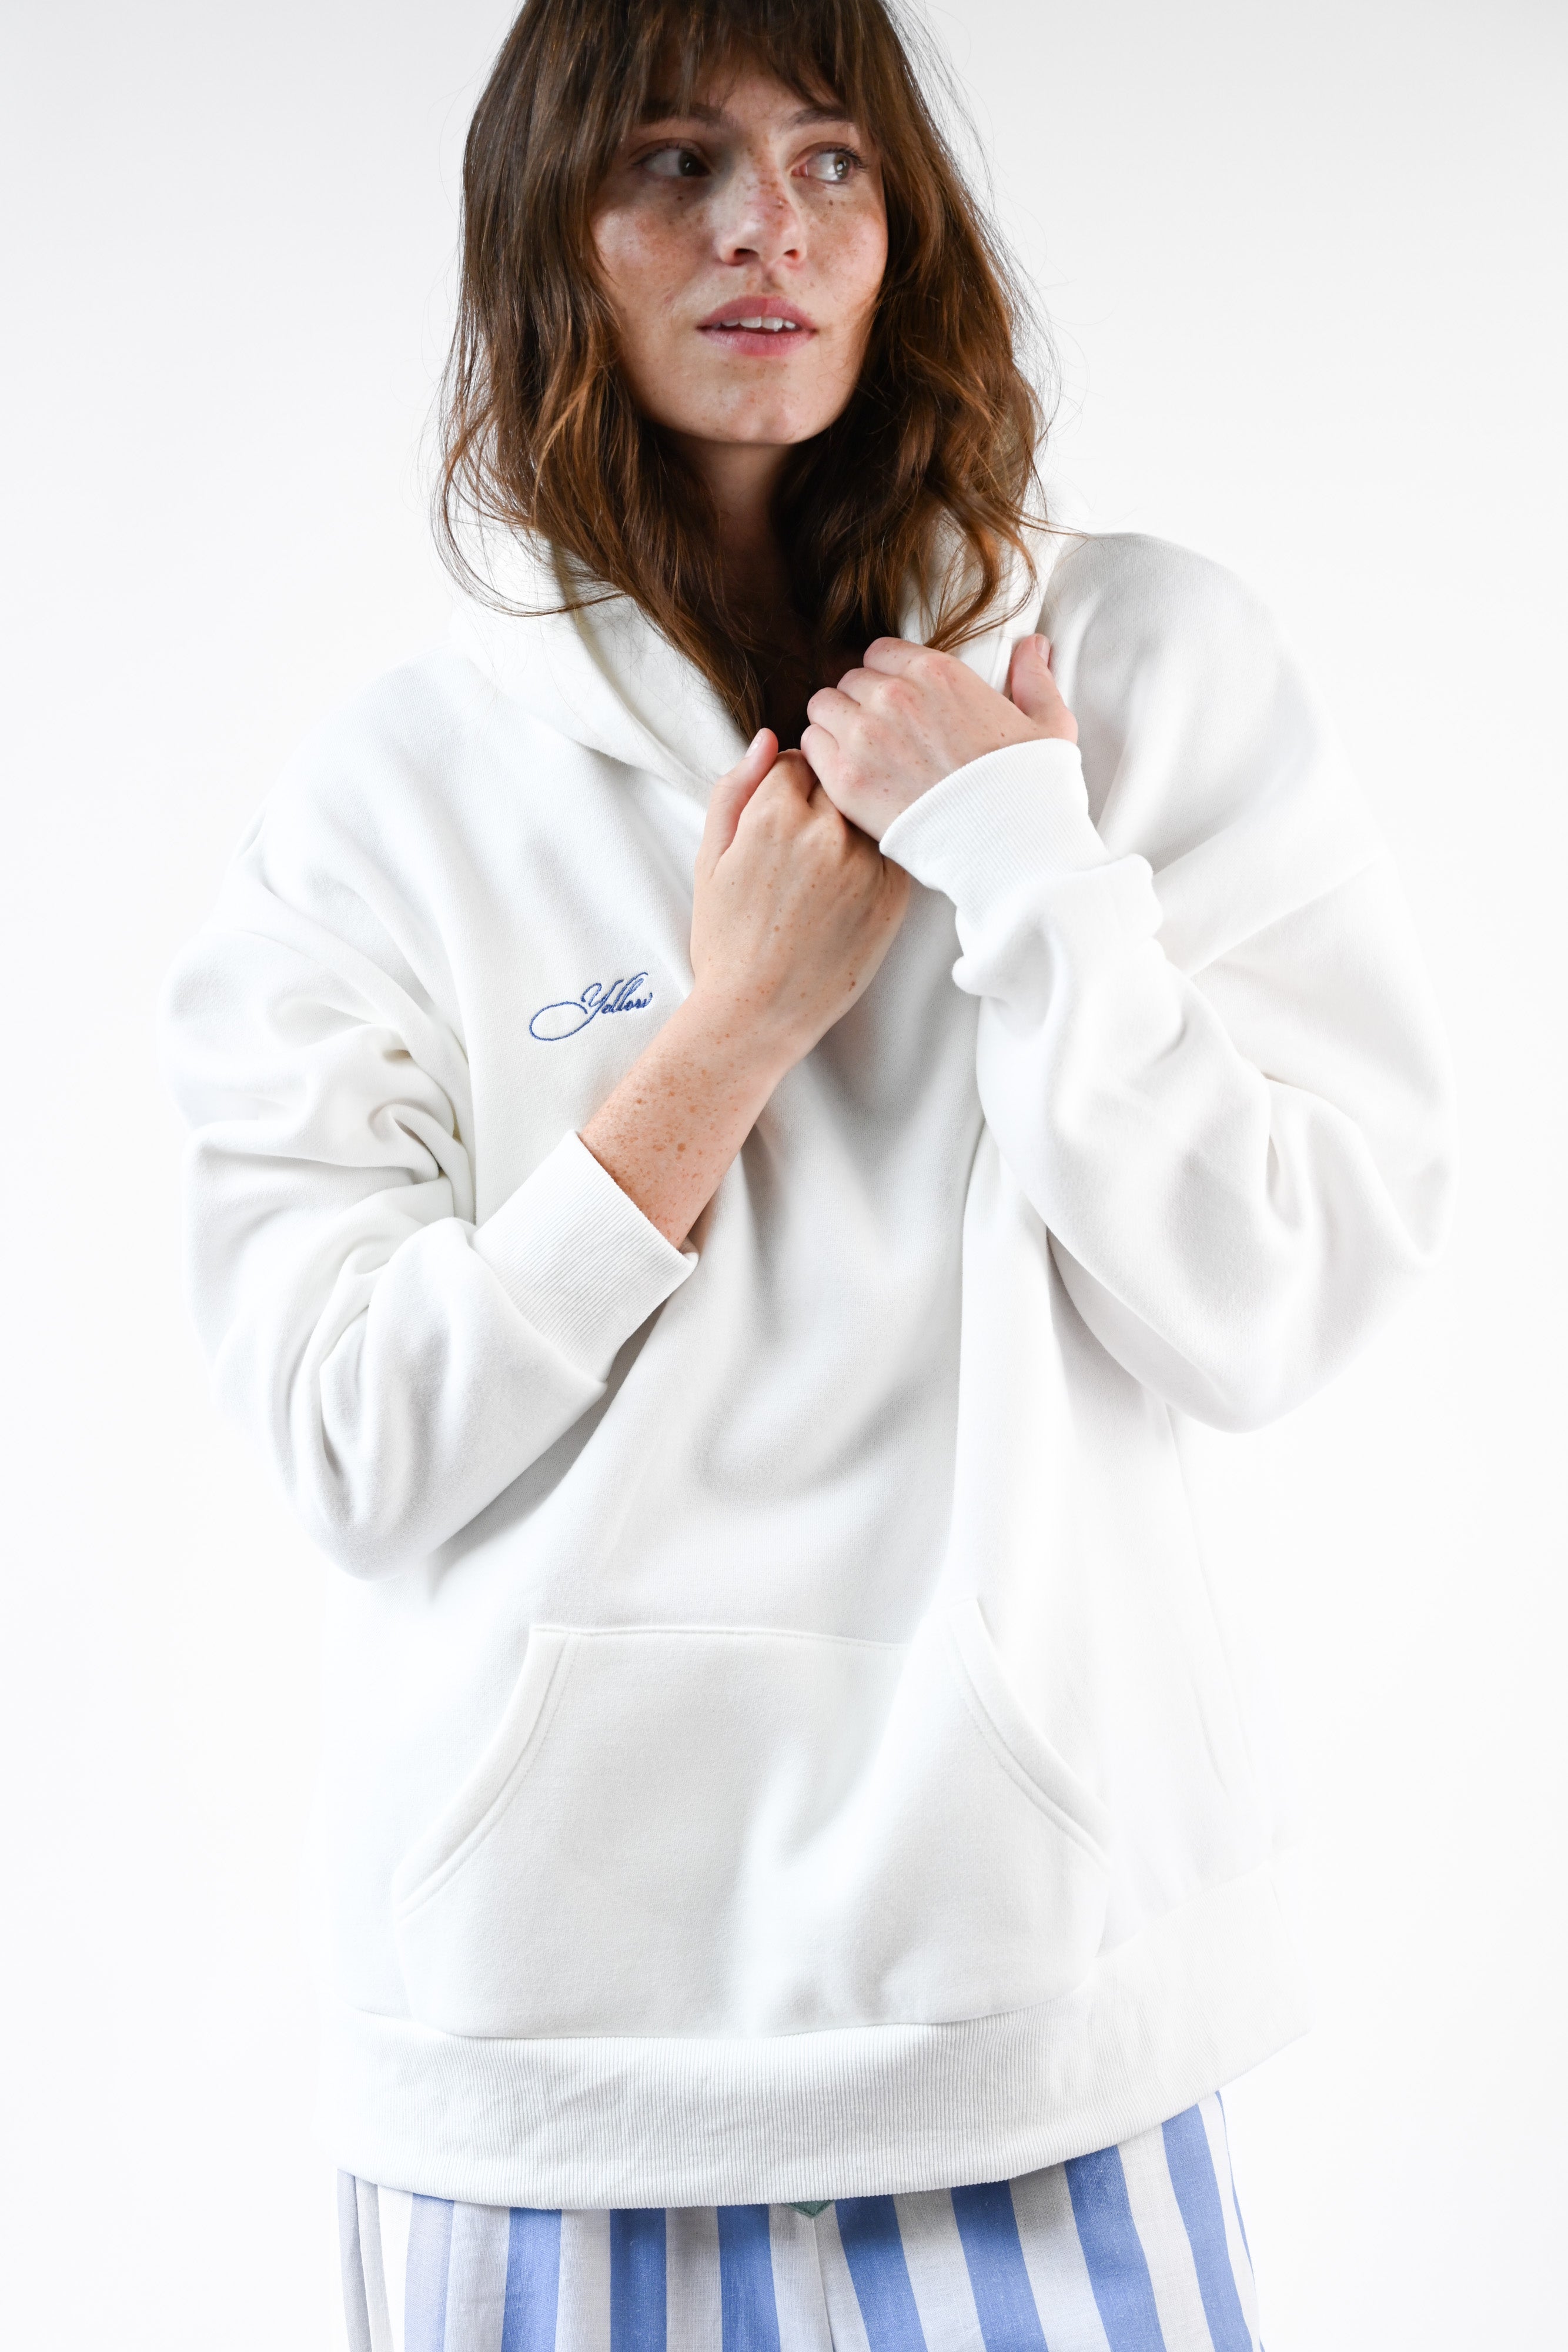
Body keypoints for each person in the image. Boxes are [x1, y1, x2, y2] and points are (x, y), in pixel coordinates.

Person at [159, 0, 1456, 2345]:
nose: (765, 224)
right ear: (545, 236)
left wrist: (1026, 858)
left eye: (831, 160)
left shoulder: (1138, 673)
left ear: (904, 227)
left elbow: (1266, 1299)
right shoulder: (382, 801)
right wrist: (728, 1031)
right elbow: (351, 1442)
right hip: (538, 2062)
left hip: (1034, 2022)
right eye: (674, 160)